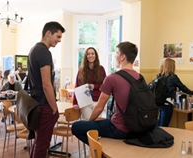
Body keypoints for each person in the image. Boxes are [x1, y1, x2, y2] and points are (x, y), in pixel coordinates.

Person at [72, 41, 140, 145]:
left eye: (116, 53)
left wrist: (89, 122)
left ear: (122, 57)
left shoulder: (113, 77)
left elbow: (99, 107)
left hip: (117, 127)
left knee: (77, 126)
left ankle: (98, 150)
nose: (114, 56)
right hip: (136, 127)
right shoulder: (140, 78)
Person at [28, 21, 65, 158]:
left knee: (39, 142)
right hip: (44, 104)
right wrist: (54, 108)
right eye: (58, 36)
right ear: (48, 33)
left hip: (37, 102)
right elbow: (46, 84)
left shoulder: (34, 49)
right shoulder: (44, 52)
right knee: (42, 144)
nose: (59, 40)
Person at [157, 58, 193, 126]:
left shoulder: (159, 76)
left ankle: (156, 136)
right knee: (164, 126)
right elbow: (182, 87)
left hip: (157, 103)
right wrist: (192, 93)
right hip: (167, 103)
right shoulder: (173, 77)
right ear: (172, 66)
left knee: (157, 126)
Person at [73, 47, 106, 119]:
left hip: (98, 102)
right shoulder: (81, 70)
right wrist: (75, 103)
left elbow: (105, 86)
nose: (90, 56)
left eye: (92, 53)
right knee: (87, 124)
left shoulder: (101, 69)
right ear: (86, 56)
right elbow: (77, 87)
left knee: (97, 125)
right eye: (88, 54)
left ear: (96, 55)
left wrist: (94, 86)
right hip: (85, 102)